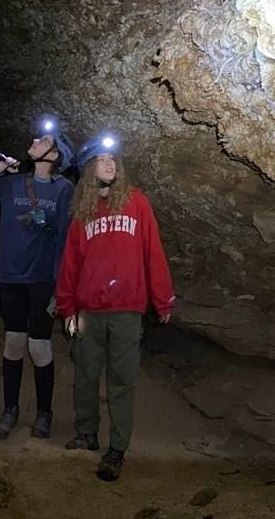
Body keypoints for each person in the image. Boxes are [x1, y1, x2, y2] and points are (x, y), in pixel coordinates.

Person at [55, 133, 175, 482]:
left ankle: (117, 449)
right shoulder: (84, 212)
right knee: (86, 374)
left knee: (122, 380)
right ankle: (86, 433)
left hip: (126, 310)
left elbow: (153, 251)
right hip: (88, 311)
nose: (109, 164)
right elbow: (70, 263)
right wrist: (67, 307)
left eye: (112, 160)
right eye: (101, 160)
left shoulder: (137, 202)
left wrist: (162, 298)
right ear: (88, 169)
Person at [0, 113, 76, 441]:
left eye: (45, 141)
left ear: (55, 156)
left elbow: (65, 238)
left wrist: (60, 286)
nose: (36, 141)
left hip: (41, 279)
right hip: (10, 276)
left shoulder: (64, 190)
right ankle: (10, 409)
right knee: (13, 342)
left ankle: (44, 413)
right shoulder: (13, 183)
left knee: (39, 347)